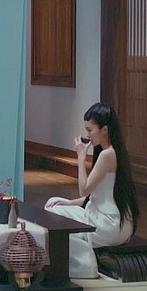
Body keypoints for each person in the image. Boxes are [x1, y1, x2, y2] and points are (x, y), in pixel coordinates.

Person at [44, 102, 139, 278]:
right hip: (117, 224)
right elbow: (95, 197)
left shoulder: (107, 155)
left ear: (104, 129)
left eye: (90, 130)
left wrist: (81, 157)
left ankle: (84, 265)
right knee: (53, 203)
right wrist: (69, 203)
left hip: (108, 225)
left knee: (52, 214)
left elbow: (84, 190)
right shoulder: (114, 152)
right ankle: (85, 256)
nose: (87, 135)